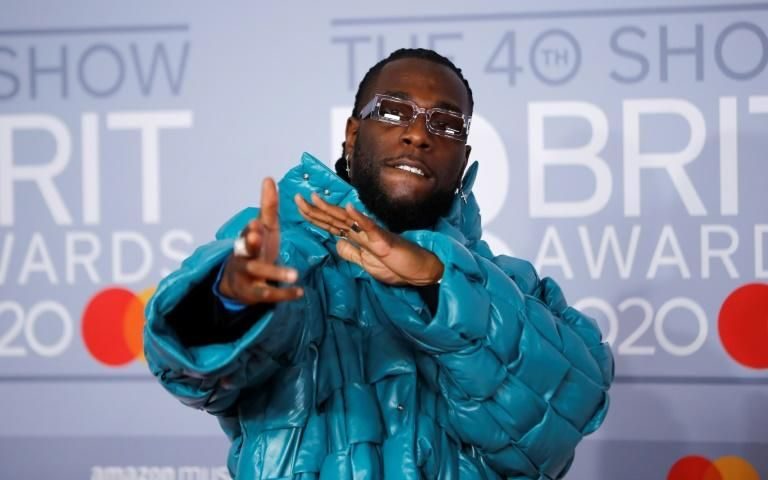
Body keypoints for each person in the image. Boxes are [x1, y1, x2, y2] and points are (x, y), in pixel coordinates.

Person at [144, 48, 614, 480]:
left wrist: (438, 281)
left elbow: (562, 422)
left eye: (446, 124)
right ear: (353, 135)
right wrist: (232, 302)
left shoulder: (511, 288)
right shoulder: (290, 256)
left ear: (464, 159)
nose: (419, 134)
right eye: (393, 111)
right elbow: (193, 371)